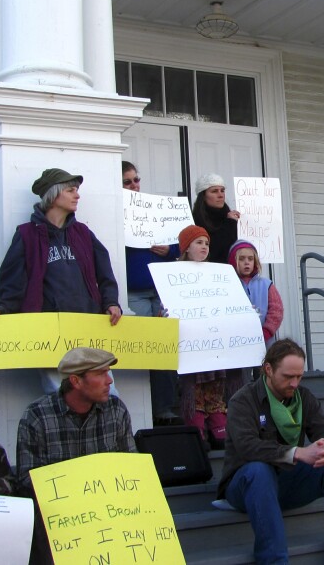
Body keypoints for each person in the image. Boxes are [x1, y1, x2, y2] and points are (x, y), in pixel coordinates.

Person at [217, 339, 324, 565]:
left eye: (299, 376)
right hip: (244, 485)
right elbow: (247, 447)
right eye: (288, 377)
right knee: (258, 470)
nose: (294, 383)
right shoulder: (243, 400)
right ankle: (274, 560)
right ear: (268, 369)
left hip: (286, 482)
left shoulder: (304, 397)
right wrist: (298, 453)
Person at [16, 347, 136, 563]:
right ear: (76, 381)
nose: (109, 380)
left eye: (108, 372)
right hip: (60, 524)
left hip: (109, 517)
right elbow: (27, 479)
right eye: (101, 374)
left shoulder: (116, 410)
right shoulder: (37, 416)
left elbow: (131, 467)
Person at [0, 167, 121, 323]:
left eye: (76, 190)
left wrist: (111, 302)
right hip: (45, 326)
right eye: (70, 190)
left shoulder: (83, 233)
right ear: (53, 195)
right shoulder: (27, 234)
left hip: (88, 321)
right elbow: (12, 280)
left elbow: (105, 273)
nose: (77, 195)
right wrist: (3, 307)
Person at [122, 161, 181, 425]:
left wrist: (169, 251)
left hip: (161, 289)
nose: (135, 185)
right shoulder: (114, 212)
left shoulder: (154, 209)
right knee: (146, 348)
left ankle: (166, 409)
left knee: (166, 345)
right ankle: (146, 412)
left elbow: (181, 244)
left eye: (136, 179)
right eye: (128, 182)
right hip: (134, 292)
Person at [175, 225, 244, 448]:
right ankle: (197, 426)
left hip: (213, 340)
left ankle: (218, 424)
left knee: (216, 382)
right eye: (198, 243)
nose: (204, 247)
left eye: (206, 243)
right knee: (193, 386)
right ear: (186, 248)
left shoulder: (217, 274)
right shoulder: (173, 274)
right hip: (190, 341)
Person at [228, 239, 284, 347]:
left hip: (265, 343)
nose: (247, 262)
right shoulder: (228, 285)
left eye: (250, 259)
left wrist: (266, 332)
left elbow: (276, 311)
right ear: (233, 261)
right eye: (241, 259)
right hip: (236, 343)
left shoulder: (266, 285)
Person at [192, 173, 240, 264]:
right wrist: (230, 223)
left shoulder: (230, 217)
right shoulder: (195, 221)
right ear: (203, 196)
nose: (220, 195)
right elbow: (213, 251)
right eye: (214, 191)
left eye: (222, 190)